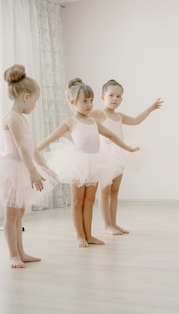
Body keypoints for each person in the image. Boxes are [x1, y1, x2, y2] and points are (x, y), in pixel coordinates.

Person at [37, 78, 139, 248]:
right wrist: (32, 151)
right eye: (84, 101)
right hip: (78, 163)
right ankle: (80, 235)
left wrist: (127, 148)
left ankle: (89, 235)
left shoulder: (94, 122)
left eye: (91, 100)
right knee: (78, 201)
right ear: (73, 102)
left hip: (95, 163)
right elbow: (50, 139)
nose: (89, 104)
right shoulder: (70, 122)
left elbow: (112, 136)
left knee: (90, 201)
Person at [0, 64, 57, 268]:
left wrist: (44, 167)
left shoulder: (20, 117)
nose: (35, 106)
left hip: (23, 167)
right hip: (13, 169)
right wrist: (32, 172)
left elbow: (32, 148)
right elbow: (21, 146)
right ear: (26, 97)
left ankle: (21, 252)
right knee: (11, 215)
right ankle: (13, 254)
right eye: (36, 101)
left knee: (20, 213)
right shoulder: (11, 118)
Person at [89, 79, 162, 235]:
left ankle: (114, 223)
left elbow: (135, 121)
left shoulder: (119, 116)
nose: (115, 99)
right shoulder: (99, 114)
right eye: (111, 95)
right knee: (105, 191)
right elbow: (81, 115)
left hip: (119, 153)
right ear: (102, 97)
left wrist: (150, 108)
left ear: (122, 99)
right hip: (105, 155)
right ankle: (107, 225)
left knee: (115, 191)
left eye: (118, 96)